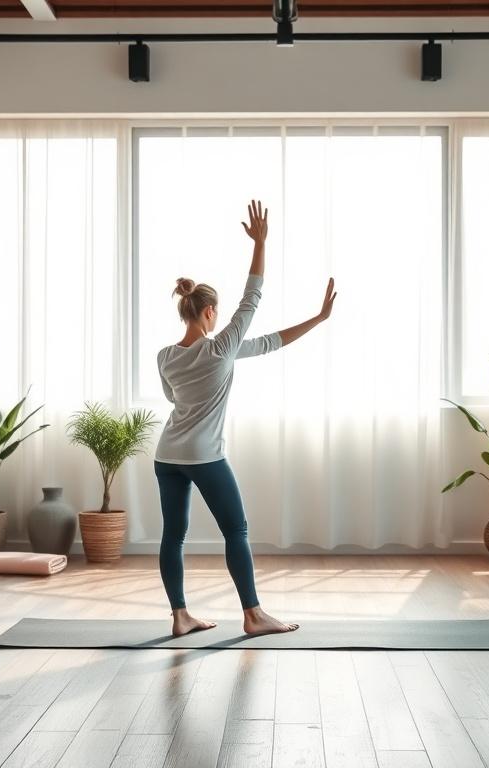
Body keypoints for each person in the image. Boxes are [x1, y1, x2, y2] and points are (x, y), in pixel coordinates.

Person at [154, 199, 337, 637]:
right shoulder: (220, 348)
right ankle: (253, 615)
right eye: (217, 314)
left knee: (173, 535)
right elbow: (252, 296)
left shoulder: (164, 356)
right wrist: (260, 244)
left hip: (167, 455)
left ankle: (180, 616)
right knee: (236, 529)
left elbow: (269, 342)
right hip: (204, 455)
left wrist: (316, 318)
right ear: (209, 313)